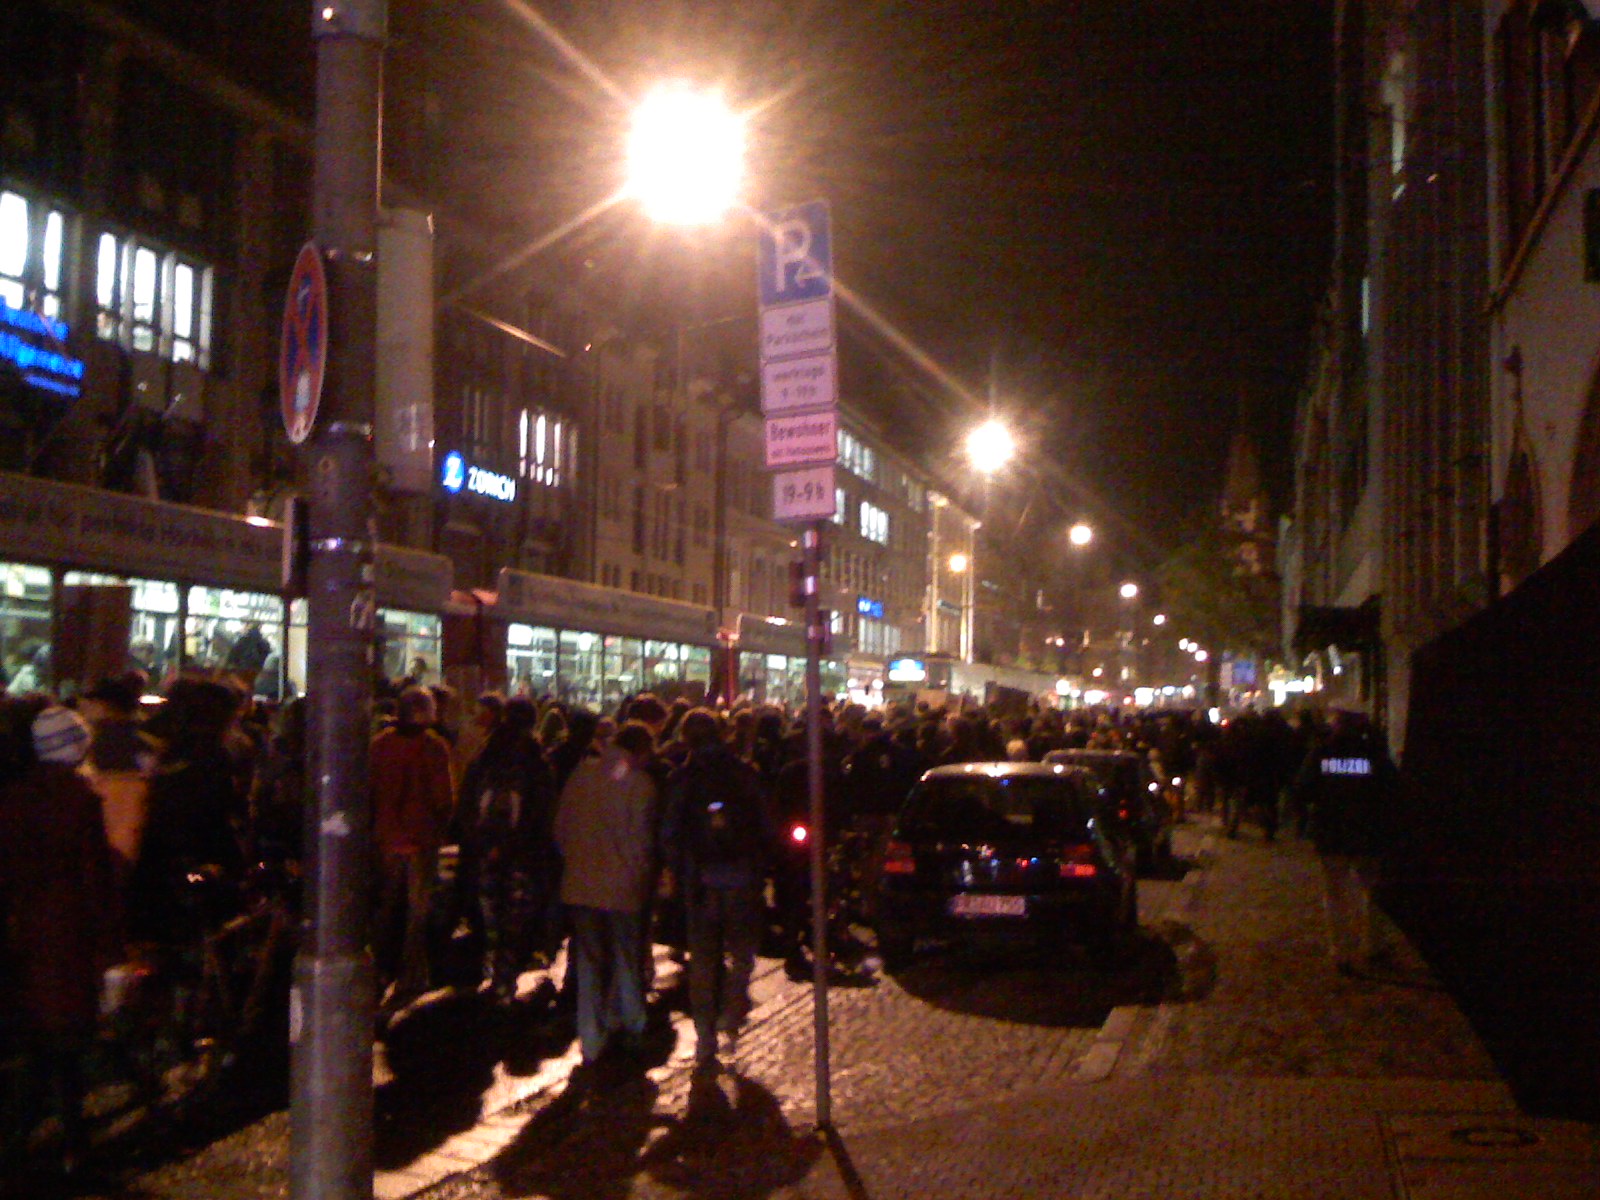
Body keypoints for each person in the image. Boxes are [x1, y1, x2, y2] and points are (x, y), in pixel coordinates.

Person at [0, 702, 124, 1183]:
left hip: (23, 931)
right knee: (65, 1046)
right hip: (66, 934)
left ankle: (24, 1141)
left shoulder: (14, 797)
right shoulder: (79, 800)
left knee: (34, 1041)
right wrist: (110, 948)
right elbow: (95, 880)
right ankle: (71, 1145)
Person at [658, 708, 776, 1070]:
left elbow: (669, 834)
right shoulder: (745, 773)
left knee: (703, 960)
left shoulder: (682, 778)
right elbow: (766, 824)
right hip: (741, 874)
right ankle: (734, 1004)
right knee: (741, 952)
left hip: (700, 879)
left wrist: (677, 871)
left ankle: (706, 1039)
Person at [553, 721, 660, 1068]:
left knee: (589, 960)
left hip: (581, 883)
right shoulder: (640, 785)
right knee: (626, 956)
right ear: (641, 752)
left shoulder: (581, 776)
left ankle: (591, 1036)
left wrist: (576, 861)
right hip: (623, 887)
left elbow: (561, 829)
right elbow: (642, 841)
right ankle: (631, 1022)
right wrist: (642, 877)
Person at [456, 697, 557, 1002]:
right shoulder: (535, 762)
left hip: (486, 850)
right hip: (522, 854)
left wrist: (477, 843)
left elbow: (466, 804)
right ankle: (505, 978)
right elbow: (543, 812)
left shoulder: (485, 756)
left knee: (491, 916)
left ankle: (492, 972)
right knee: (516, 919)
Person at [1292, 708, 1397, 976]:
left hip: (1332, 833)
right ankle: (1374, 944)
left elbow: (1303, 789)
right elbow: (1392, 789)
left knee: (1335, 894)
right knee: (1371, 892)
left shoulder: (1322, 753)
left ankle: (1341, 952)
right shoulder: (1373, 754)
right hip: (1368, 833)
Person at [370, 685, 456, 1008]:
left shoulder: (380, 745)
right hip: (421, 840)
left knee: (385, 908)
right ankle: (411, 975)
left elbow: (369, 790)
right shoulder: (434, 748)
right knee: (417, 913)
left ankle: (379, 968)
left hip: (387, 838)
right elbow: (444, 799)